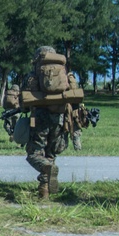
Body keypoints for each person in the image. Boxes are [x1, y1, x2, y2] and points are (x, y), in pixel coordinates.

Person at [19, 46, 83, 198]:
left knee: (34, 154)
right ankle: (44, 192)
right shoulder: (65, 72)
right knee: (51, 153)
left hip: (39, 118)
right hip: (60, 117)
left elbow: (24, 99)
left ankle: (46, 170)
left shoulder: (34, 74)